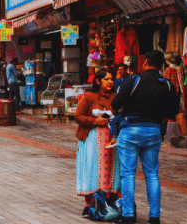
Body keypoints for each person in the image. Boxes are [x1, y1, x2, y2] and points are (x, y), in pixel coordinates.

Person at [111, 50, 178, 224]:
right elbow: (172, 112)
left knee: (127, 174)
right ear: (161, 66)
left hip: (130, 130)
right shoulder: (168, 85)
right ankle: (154, 217)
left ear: (145, 63)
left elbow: (115, 103)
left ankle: (128, 216)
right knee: (152, 174)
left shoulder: (135, 81)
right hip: (154, 131)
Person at [74, 68, 121, 216]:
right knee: (92, 169)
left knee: (112, 170)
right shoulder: (89, 96)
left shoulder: (116, 97)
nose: (110, 82)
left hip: (111, 139)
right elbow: (78, 116)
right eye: (106, 79)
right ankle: (91, 203)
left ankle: (109, 201)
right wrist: (95, 121)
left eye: (111, 79)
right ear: (98, 81)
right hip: (92, 139)